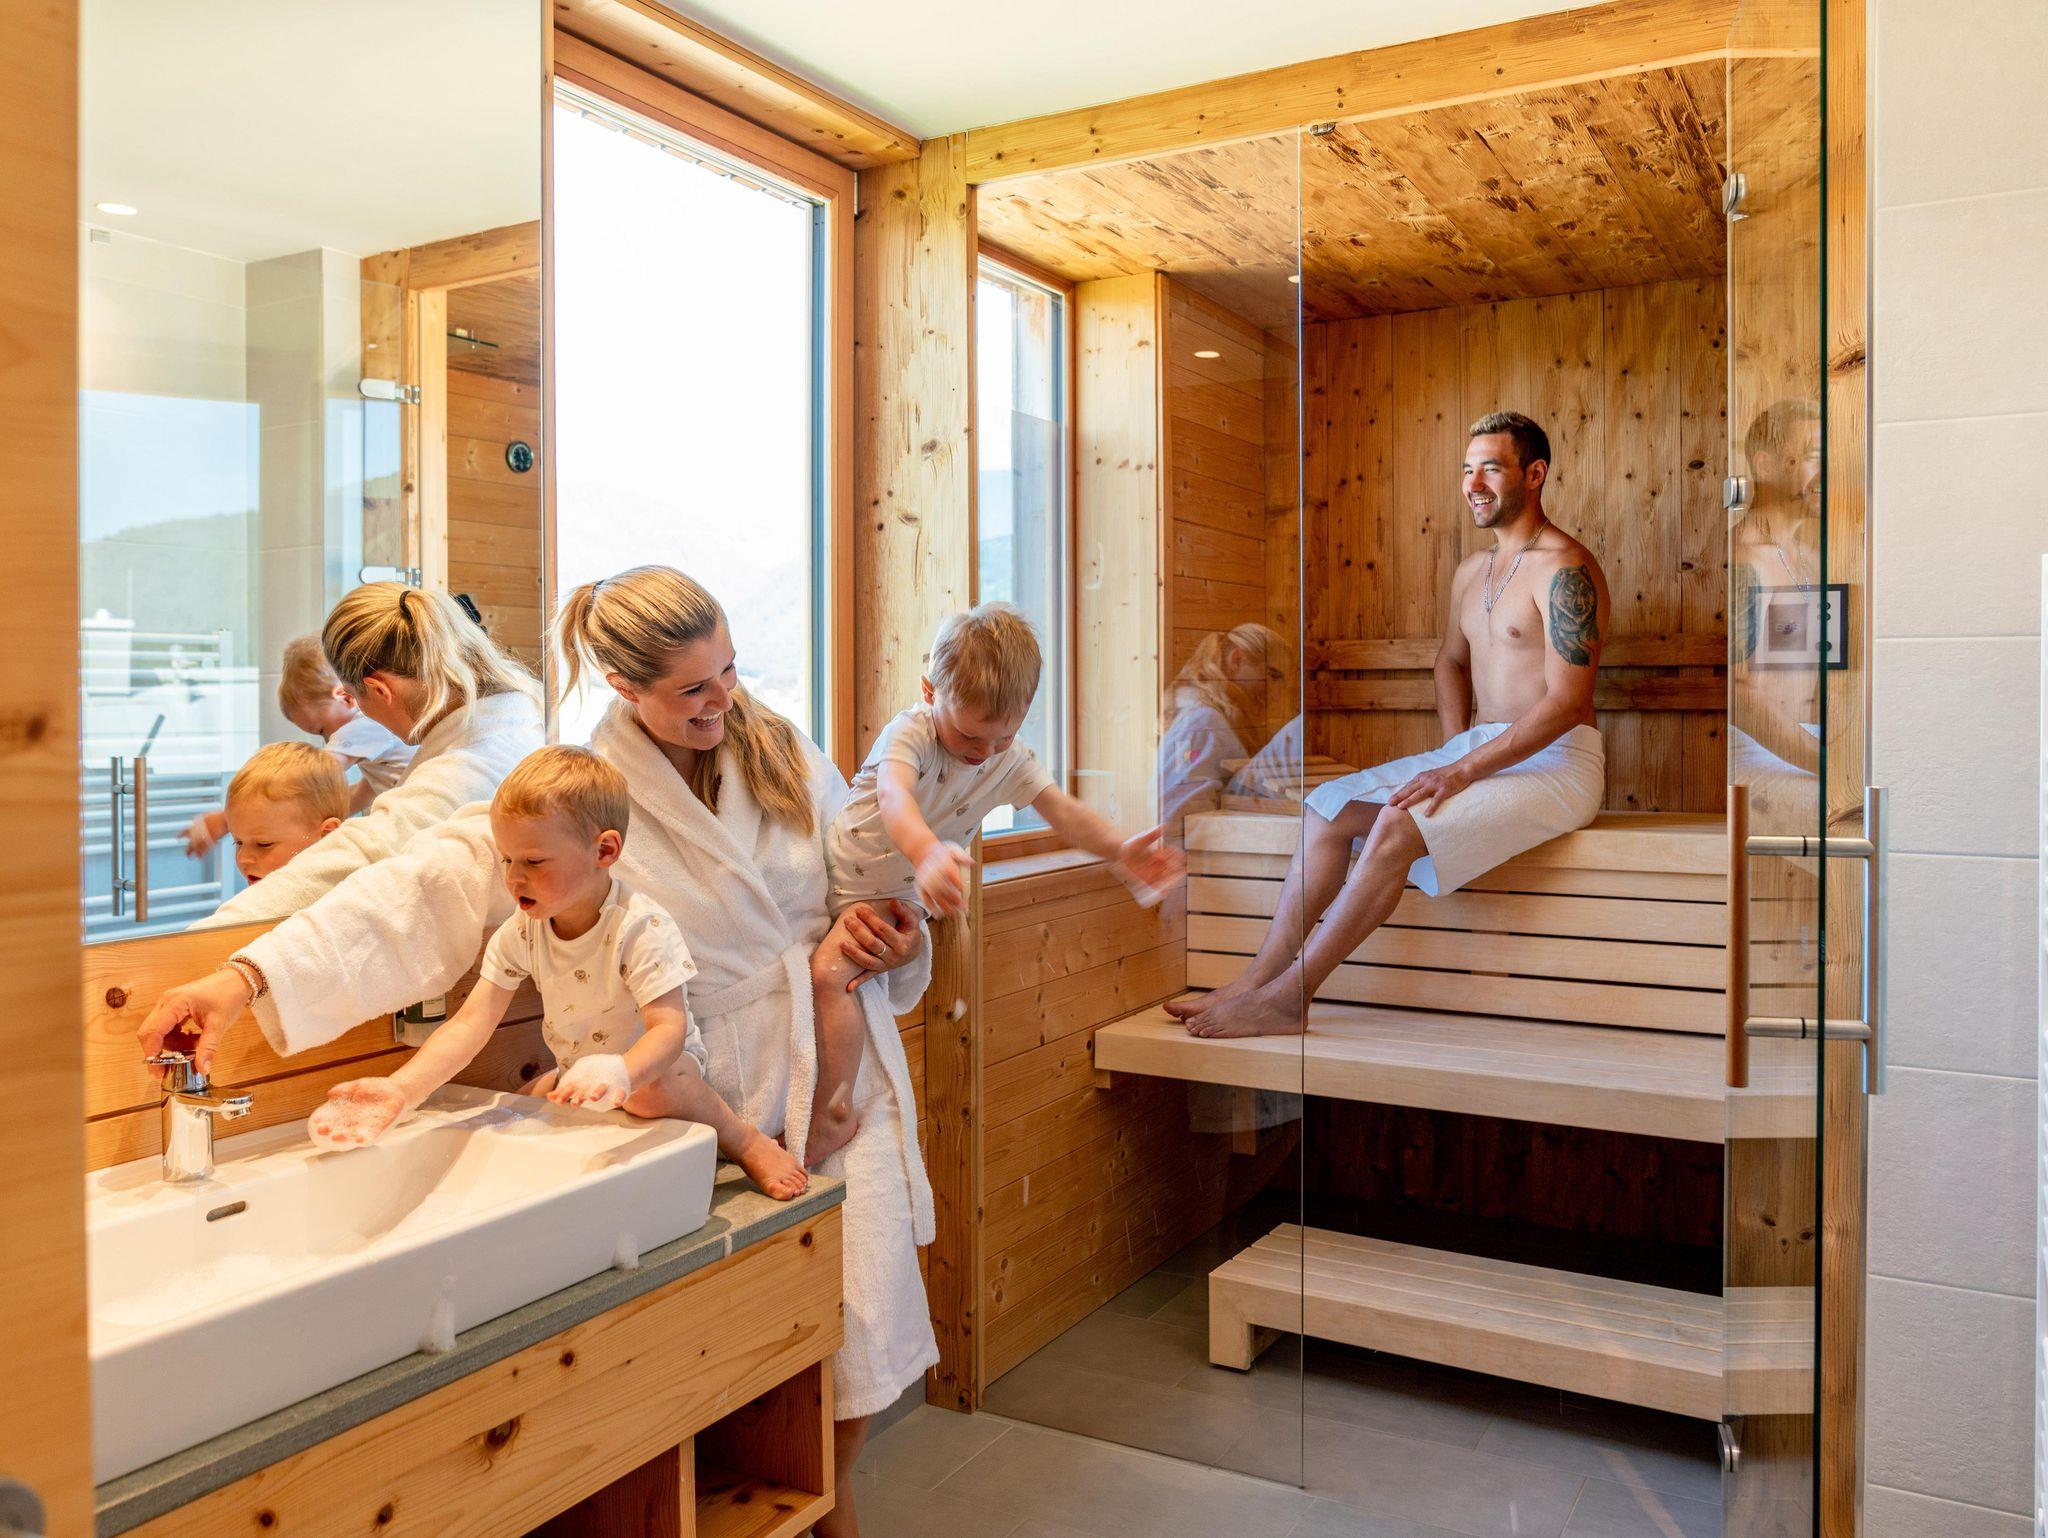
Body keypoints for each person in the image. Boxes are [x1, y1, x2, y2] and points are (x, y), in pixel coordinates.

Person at [140, 565, 933, 1538]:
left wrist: (886, 938)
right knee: (746, 1354)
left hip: (837, 1055)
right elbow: (422, 887)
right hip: (710, 1078)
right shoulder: (585, 791)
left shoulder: (780, 749)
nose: (722, 699)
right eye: (693, 687)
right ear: (624, 684)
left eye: (728, 670)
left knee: (863, 1327)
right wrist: (245, 977)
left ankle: (833, 1506)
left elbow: (860, 879)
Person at [1168, 410, 1610, 1038]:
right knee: (1325, 808)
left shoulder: (1566, 569)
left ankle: (1290, 999)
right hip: (1483, 749)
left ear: (1534, 474)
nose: (1473, 484)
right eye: (1467, 469)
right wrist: (1458, 748)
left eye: (1490, 468)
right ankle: (1255, 980)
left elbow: (1567, 701)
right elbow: (1449, 662)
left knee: (1400, 822)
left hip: (1559, 763)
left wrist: (1461, 771)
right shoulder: (1472, 572)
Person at [306, 745, 807, 1200]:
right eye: (507, 859)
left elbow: (669, 1029)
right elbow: (472, 1023)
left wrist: (622, 1073)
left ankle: (744, 1139)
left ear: (604, 852)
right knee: (511, 1113)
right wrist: (403, 1089)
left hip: (656, 1069)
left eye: (533, 860)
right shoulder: (524, 930)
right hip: (579, 1071)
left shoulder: (639, 926)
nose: (514, 877)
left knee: (653, 1096)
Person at [807, 604, 1182, 1163]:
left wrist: (1119, 849)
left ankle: (834, 1112)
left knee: (831, 976)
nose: (982, 752)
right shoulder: (910, 733)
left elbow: (1063, 812)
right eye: (968, 734)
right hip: (843, 869)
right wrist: (928, 851)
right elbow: (894, 796)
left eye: (1002, 737)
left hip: (889, 896)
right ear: (930, 692)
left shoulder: (1010, 760)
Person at [196, 584, 543, 927]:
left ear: (378, 689)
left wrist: (211, 931)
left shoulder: (461, 771)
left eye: (357, 699)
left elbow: (366, 851)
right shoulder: (519, 707)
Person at [184, 636, 415, 858]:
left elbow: (309, 776)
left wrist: (226, 820)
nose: (328, 740)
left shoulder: (366, 724)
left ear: (345, 697)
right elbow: (361, 794)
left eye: (322, 729)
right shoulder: (379, 742)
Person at [218, 742, 348, 885]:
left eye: (264, 844)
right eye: (238, 842)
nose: (243, 858)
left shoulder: (344, 894)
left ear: (326, 835)